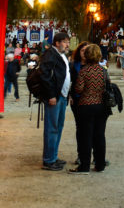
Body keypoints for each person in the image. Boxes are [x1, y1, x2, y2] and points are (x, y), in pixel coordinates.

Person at [69, 44, 109, 174]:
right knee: (99, 136)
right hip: (101, 106)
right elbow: (106, 86)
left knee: (86, 136)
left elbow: (78, 89)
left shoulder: (84, 71)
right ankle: (100, 164)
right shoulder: (103, 71)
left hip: (86, 106)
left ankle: (84, 166)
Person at [40, 32, 71, 171]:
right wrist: (51, 95)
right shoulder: (50, 54)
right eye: (65, 42)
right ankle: (48, 160)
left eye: (68, 42)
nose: (67, 44)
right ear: (57, 43)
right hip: (54, 97)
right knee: (51, 128)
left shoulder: (61, 55)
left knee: (58, 127)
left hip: (62, 96)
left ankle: (53, 156)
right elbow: (45, 76)